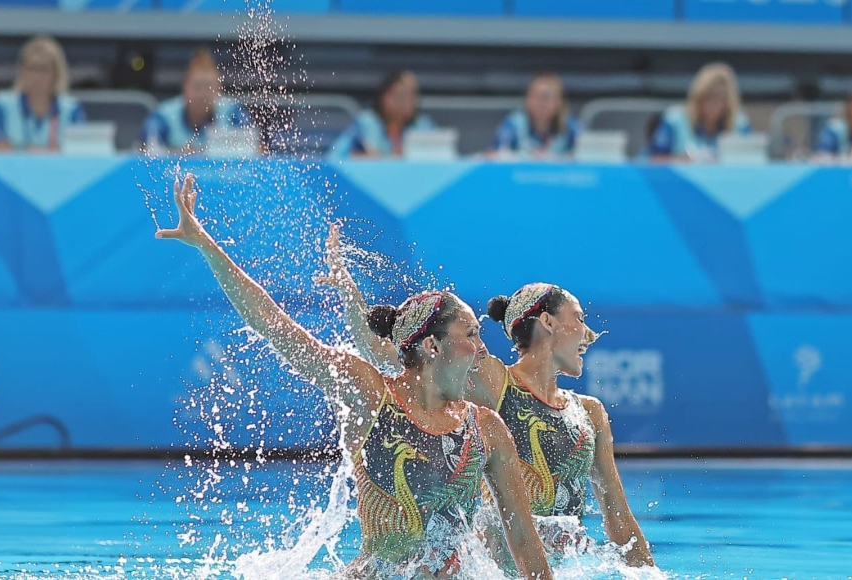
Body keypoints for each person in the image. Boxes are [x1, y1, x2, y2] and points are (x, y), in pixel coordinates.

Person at [155, 175, 553, 580]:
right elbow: (275, 325)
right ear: (433, 347)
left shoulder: (487, 428)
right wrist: (207, 244)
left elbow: (523, 540)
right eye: (470, 335)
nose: (482, 349)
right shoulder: (371, 395)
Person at [317, 225, 655, 569]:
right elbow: (402, 354)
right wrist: (350, 295)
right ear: (548, 322)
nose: (590, 333)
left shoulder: (590, 412)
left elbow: (620, 521)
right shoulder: (495, 383)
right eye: (579, 320)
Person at [0, 35, 86, 152]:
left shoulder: (71, 109)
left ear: (56, 73)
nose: (37, 76)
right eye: (32, 68)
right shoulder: (2, 105)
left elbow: (81, 152)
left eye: (44, 69)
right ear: (22, 71)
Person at [140, 47, 256, 154]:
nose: (202, 94)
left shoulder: (232, 112)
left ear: (218, 89)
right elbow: (147, 151)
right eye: (197, 86)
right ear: (185, 87)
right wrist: (178, 152)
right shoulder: (163, 116)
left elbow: (256, 149)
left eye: (208, 87)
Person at [648, 62, 750, 162]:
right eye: (709, 96)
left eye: (721, 98)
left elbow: (755, 158)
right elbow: (652, 160)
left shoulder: (739, 124)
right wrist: (681, 160)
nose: (714, 104)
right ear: (698, 97)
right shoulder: (675, 121)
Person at [328, 70, 436, 159]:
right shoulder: (365, 123)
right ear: (384, 97)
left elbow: (443, 157)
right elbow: (335, 156)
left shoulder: (423, 125)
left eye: (412, 96)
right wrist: (361, 157)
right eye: (400, 95)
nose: (406, 102)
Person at [491, 73, 579, 159]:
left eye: (545, 97)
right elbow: (492, 154)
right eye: (534, 96)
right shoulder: (514, 124)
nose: (540, 103)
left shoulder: (569, 126)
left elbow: (584, 157)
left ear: (558, 102)